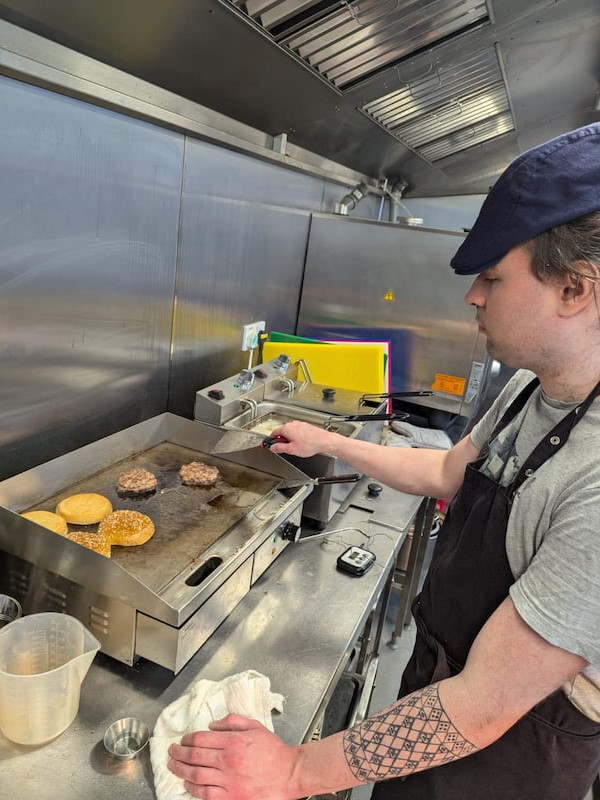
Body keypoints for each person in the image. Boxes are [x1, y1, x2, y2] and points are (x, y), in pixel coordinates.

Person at [168, 124, 600, 800]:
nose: (473, 298)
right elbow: (445, 473)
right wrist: (331, 442)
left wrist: (295, 770)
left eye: (492, 277)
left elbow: (484, 706)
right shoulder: (531, 389)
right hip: (434, 696)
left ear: (575, 290)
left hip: (510, 757)